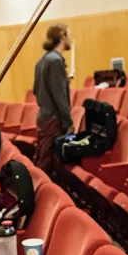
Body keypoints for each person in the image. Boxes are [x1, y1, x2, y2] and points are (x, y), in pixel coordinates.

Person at [33, 23, 74, 172]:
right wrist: (68, 121)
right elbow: (59, 97)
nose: (71, 39)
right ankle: (40, 193)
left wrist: (63, 81)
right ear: (62, 36)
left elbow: (36, 90)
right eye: (69, 35)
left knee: (41, 156)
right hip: (53, 119)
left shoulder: (42, 60)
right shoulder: (56, 60)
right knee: (46, 162)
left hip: (44, 115)